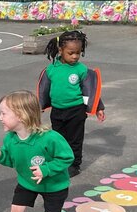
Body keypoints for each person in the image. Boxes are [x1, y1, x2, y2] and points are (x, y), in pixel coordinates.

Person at [0, 91, 74, 212]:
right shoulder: (10, 139)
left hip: (54, 185)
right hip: (27, 182)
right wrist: (0, 156)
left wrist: (46, 169)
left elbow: (67, 157)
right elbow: (11, 160)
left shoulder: (50, 138)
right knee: (16, 210)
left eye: (4, 113)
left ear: (21, 116)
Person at [37, 30, 105, 178]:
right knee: (58, 139)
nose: (75, 56)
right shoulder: (51, 69)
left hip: (76, 111)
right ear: (60, 50)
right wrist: (40, 106)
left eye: (78, 53)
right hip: (57, 111)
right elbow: (44, 89)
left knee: (75, 140)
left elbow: (90, 89)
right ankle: (60, 162)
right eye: (71, 53)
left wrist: (98, 107)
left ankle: (74, 165)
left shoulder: (81, 69)